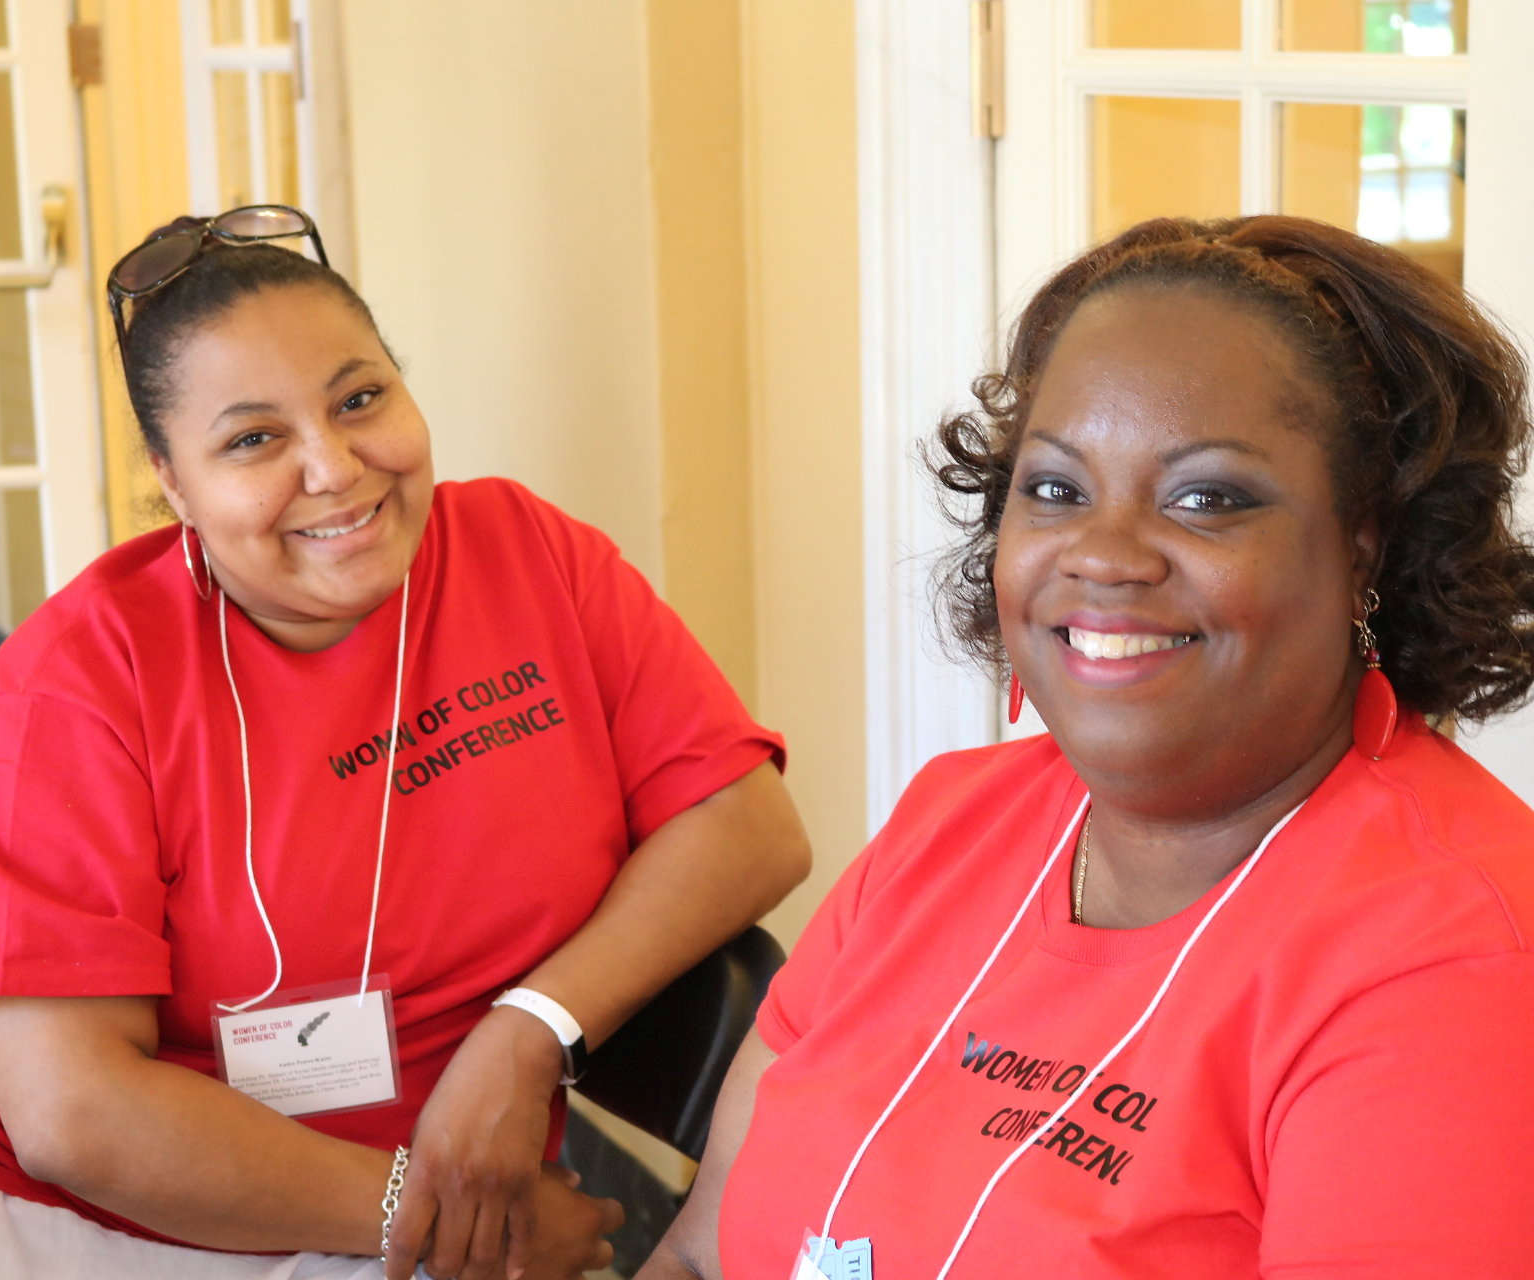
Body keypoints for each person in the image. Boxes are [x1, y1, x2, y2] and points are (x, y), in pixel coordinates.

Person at [0, 205, 812, 1280]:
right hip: (54, 1217)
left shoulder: (529, 555)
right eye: (253, 439)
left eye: (360, 398)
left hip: (417, 1231)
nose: (336, 467)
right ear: (173, 485)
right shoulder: (72, 687)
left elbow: (747, 822)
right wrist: (438, 1212)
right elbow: (73, 1115)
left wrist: (531, 1027)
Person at [636, 215, 1534, 1280]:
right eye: (1055, 488)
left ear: (1363, 543)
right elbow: (700, 1248)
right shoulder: (950, 819)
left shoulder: (1456, 957)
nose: (1103, 555)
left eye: (1206, 497)